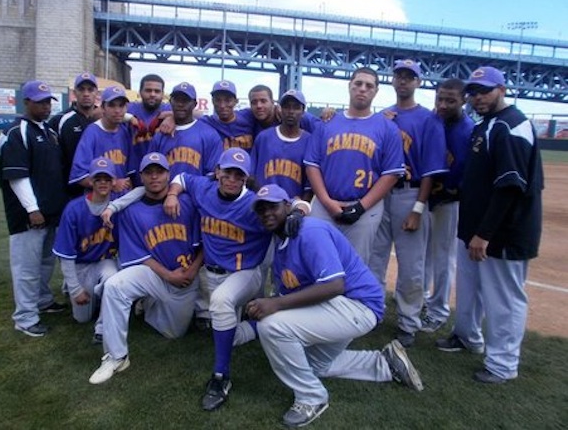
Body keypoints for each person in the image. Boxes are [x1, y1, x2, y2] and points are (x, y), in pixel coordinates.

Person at [248, 184, 423, 428]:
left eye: (273, 206)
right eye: (261, 209)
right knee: (313, 365)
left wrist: (275, 304)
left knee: (273, 327)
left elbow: (334, 285)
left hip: (358, 306)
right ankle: (384, 363)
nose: (267, 212)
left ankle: (312, 398)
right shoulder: (281, 243)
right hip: (341, 307)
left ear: (287, 206)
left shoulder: (309, 231)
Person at [436, 66, 543, 385]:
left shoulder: (512, 126)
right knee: (470, 291)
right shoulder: (487, 126)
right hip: (474, 229)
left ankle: (503, 364)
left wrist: (485, 233)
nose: (478, 97)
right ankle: (467, 336)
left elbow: (510, 187)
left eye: (485, 91)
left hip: (502, 233)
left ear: (502, 89)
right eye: (474, 92)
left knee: (504, 299)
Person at [163, 148, 273, 411]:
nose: (232, 179)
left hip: (244, 273)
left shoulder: (254, 204)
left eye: (239, 174)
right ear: (218, 172)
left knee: (221, 303)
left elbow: (285, 209)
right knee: (226, 334)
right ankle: (266, 325)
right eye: (228, 172)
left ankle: (220, 377)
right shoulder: (204, 188)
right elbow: (180, 178)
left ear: (246, 178)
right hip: (211, 273)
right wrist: (171, 194)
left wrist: (299, 210)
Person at [89, 152, 203, 384]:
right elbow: (138, 255)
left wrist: (192, 271)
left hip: (186, 278)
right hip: (156, 273)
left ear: (168, 175)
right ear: (141, 177)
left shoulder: (188, 202)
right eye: (148, 173)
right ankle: (116, 356)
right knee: (114, 286)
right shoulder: (131, 210)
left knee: (173, 333)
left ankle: (148, 305)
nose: (154, 177)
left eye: (159, 172)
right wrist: (168, 275)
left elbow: (206, 242)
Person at [368, 59, 448, 348]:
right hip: (380, 193)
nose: (403, 81)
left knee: (411, 265)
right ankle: (371, 314)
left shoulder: (429, 119)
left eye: (409, 77)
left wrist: (418, 208)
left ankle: (408, 323)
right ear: (393, 80)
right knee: (373, 259)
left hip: (410, 194)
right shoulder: (382, 116)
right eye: (399, 76)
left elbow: (430, 168)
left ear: (418, 82)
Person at [304, 67, 405, 264]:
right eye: (358, 84)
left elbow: (391, 174)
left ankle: (350, 297)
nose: (362, 89)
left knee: (355, 266)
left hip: (366, 208)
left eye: (369, 86)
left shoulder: (388, 128)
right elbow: (312, 165)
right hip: (325, 205)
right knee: (316, 261)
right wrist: (326, 201)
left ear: (376, 92)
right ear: (349, 86)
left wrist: (361, 207)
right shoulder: (327, 123)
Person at [0, 80, 68, 337]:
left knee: (46, 261)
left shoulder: (49, 131)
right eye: (39, 101)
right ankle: (25, 318)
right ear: (26, 102)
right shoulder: (16, 131)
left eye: (48, 101)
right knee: (26, 267)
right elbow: (17, 176)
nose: (45, 105)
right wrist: (32, 208)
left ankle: (42, 300)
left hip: (51, 212)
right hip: (29, 215)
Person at [421, 79, 474, 333]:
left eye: (450, 100)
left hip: (449, 202)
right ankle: (422, 300)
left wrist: (445, 192)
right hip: (427, 199)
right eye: (440, 98)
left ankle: (438, 310)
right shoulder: (435, 120)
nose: (442, 104)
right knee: (425, 255)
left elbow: (464, 175)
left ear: (463, 100)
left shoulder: (466, 130)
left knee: (443, 258)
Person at [52, 157, 119, 344]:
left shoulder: (118, 205)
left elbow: (139, 192)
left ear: (114, 181)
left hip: (105, 262)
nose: (103, 183)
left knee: (112, 277)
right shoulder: (74, 209)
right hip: (80, 265)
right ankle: (78, 289)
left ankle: (102, 327)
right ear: (91, 181)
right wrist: (75, 289)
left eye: (107, 179)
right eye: (99, 179)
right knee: (81, 318)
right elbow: (65, 256)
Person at [149, 82, 223, 177]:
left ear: (195, 104)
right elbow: (151, 171)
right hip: (165, 191)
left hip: (196, 191)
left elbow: (212, 176)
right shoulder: (161, 134)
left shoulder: (209, 134)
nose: (180, 104)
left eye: (185, 100)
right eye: (177, 100)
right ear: (171, 101)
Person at [69, 86, 134, 194]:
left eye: (121, 105)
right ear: (103, 107)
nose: (117, 110)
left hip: (121, 200)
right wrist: (113, 184)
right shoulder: (92, 133)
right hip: (97, 201)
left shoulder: (125, 131)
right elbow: (79, 176)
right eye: (112, 105)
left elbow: (130, 172)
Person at [250, 89, 312, 200]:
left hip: (293, 207)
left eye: (296, 107)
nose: (291, 111)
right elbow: (251, 176)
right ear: (280, 109)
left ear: (303, 112)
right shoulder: (264, 137)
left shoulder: (310, 141)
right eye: (287, 107)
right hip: (264, 205)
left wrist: (301, 207)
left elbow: (309, 185)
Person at [48, 72, 100, 198]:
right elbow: (51, 159)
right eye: (81, 89)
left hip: (99, 189)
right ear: (74, 93)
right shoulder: (60, 120)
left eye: (90, 89)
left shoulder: (104, 118)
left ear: (96, 93)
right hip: (69, 191)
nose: (86, 94)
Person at [199, 80, 257, 152]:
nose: (222, 105)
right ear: (212, 101)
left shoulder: (249, 116)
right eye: (218, 100)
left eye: (228, 100)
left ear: (236, 101)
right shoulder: (207, 122)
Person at [126, 73, 172, 158]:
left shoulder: (168, 109)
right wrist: (129, 117)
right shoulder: (130, 108)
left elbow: (197, 114)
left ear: (163, 94)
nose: (152, 94)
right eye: (148, 90)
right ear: (140, 92)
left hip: (159, 168)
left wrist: (173, 116)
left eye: (157, 91)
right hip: (133, 167)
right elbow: (102, 112)